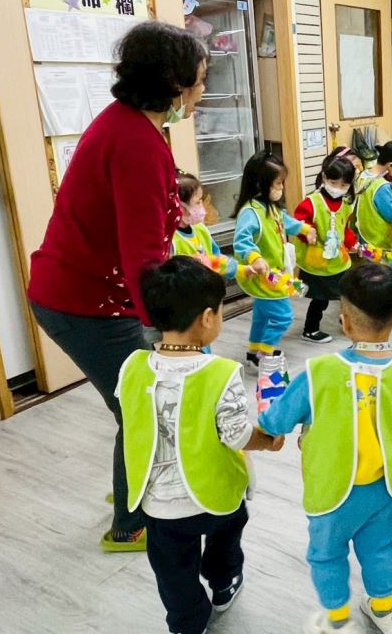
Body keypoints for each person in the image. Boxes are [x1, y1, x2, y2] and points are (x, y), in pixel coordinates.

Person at [28, 20, 207, 551]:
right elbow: (143, 257)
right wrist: (172, 332)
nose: (202, 90)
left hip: (87, 292)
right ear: (174, 84)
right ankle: (129, 524)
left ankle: (132, 484)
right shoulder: (135, 143)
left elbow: (146, 226)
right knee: (141, 407)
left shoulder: (131, 125)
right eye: (199, 79)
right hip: (83, 303)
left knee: (136, 401)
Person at [258, 263, 392, 634]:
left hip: (332, 491)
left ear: (344, 322)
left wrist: (268, 403)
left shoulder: (318, 371)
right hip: (385, 488)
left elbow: (275, 422)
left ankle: (338, 619)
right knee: (379, 549)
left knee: (326, 555)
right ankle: (385, 610)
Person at [117, 257, 283, 634]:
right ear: (208, 317)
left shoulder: (132, 366)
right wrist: (268, 441)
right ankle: (223, 584)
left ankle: (187, 623)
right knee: (226, 541)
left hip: (159, 502)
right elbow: (237, 435)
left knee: (172, 571)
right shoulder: (220, 372)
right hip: (217, 495)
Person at [232, 151, 316, 364]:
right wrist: (254, 258)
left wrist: (304, 229)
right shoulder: (250, 212)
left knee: (261, 315)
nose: (281, 188)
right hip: (264, 275)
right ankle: (265, 353)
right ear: (260, 184)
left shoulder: (270, 207)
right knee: (283, 317)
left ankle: (254, 351)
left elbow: (285, 221)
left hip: (274, 272)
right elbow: (241, 241)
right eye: (278, 183)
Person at [294, 153, 357, 344]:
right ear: (324, 177)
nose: (338, 189)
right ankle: (310, 329)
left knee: (346, 293)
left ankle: (348, 322)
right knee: (320, 299)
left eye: (344, 185)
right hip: (318, 262)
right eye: (333, 183)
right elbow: (297, 224)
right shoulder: (311, 203)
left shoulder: (346, 204)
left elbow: (344, 228)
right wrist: (307, 232)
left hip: (338, 260)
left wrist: (352, 243)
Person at [172, 170, 239, 279]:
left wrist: (237, 269)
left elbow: (216, 258)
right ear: (180, 207)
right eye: (198, 202)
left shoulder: (200, 229)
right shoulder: (171, 240)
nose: (202, 207)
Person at [354, 140, 392, 261]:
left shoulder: (364, 175)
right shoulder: (382, 187)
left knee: (366, 267)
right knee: (380, 269)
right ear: (391, 166)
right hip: (378, 242)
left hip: (364, 235)